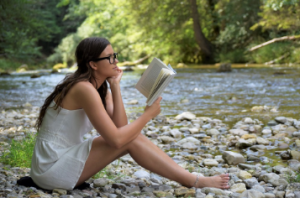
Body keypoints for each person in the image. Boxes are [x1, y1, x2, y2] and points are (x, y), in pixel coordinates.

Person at [30, 37, 230, 190]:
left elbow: (121, 128)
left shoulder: (99, 88)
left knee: (132, 136)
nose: (115, 61)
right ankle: (194, 181)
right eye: (109, 58)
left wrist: (115, 87)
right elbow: (117, 140)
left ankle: (192, 178)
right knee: (131, 139)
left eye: (114, 55)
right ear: (93, 64)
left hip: (61, 160)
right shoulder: (83, 88)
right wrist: (147, 116)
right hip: (51, 167)